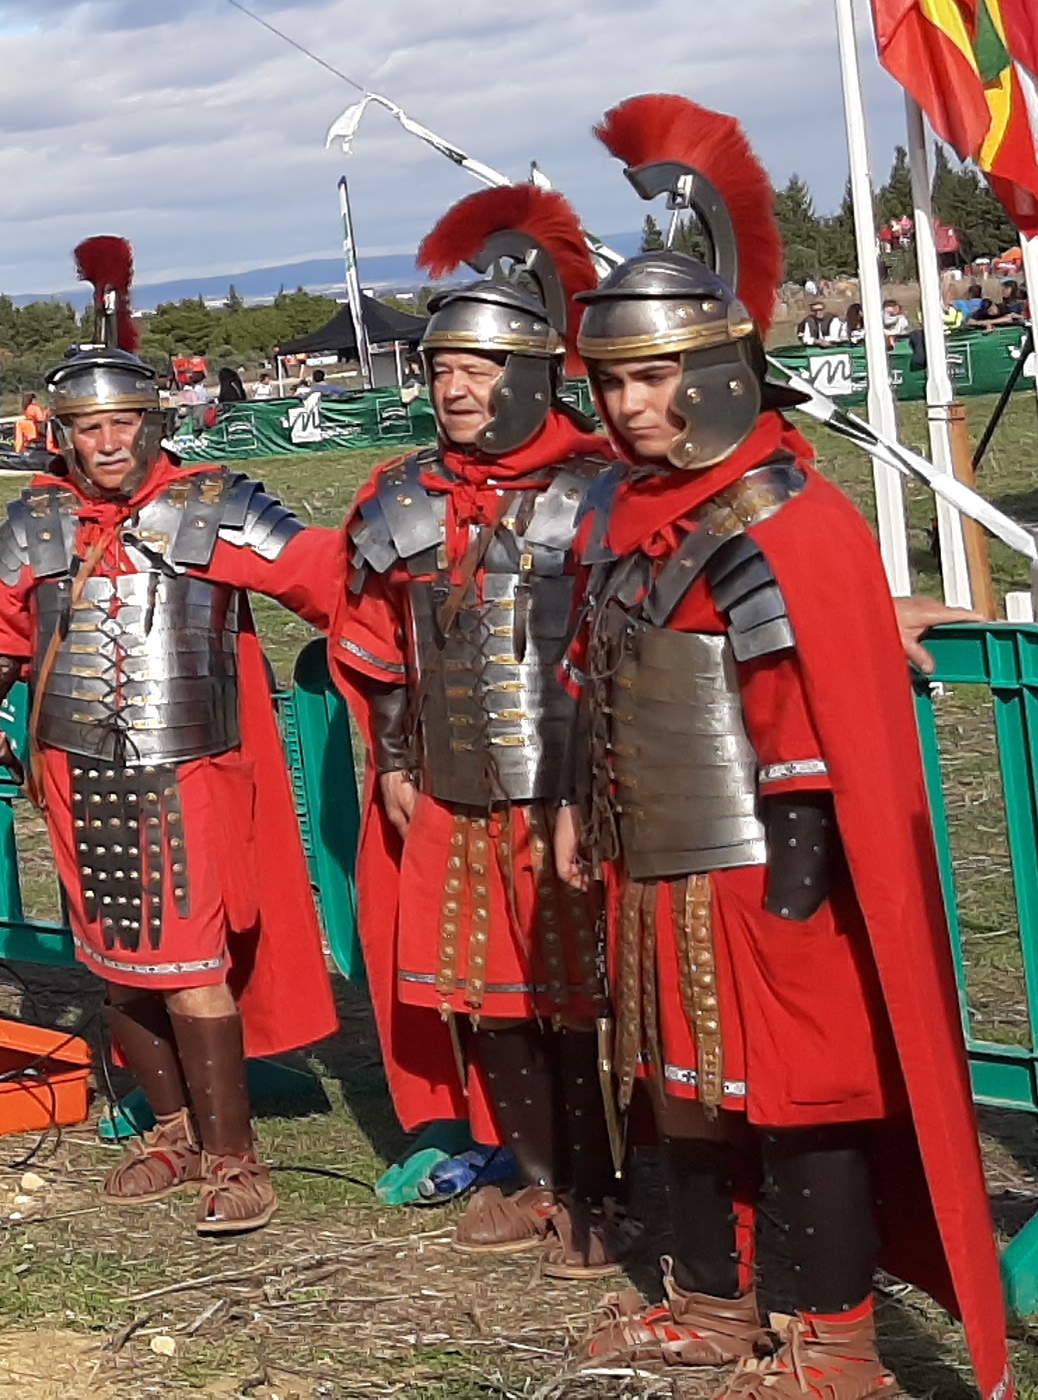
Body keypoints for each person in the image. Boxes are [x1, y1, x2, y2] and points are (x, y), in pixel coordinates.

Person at [555, 97, 1005, 1400]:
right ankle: (711, 1305)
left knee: (805, 1098)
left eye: (651, 378)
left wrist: (796, 888)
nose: (629, 404)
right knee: (684, 1093)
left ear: (711, 371)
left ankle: (835, 1345)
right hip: (660, 865)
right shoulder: (630, 511)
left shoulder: (778, 516)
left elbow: (806, 718)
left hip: (769, 869)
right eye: (612, 382)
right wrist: (582, 807)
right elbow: (600, 670)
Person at [0, 239, 344, 1237]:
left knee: (195, 960)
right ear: (63, 434)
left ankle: (233, 1157)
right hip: (77, 769)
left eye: (121, 421)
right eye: (88, 426)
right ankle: (171, 1132)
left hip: (191, 766)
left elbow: (320, 576)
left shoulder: (213, 504)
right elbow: (0, 628)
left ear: (151, 421)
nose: (107, 441)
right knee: (114, 956)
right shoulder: (40, 519)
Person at [329, 184, 622, 1280]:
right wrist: (395, 756)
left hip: (579, 791)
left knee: (579, 1002)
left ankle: (601, 1187)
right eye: (441, 369)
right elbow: (375, 637)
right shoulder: (401, 492)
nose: (453, 389)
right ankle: (537, 1178)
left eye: (478, 369)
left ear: (532, 374)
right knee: (486, 998)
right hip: (452, 783)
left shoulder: (604, 487)